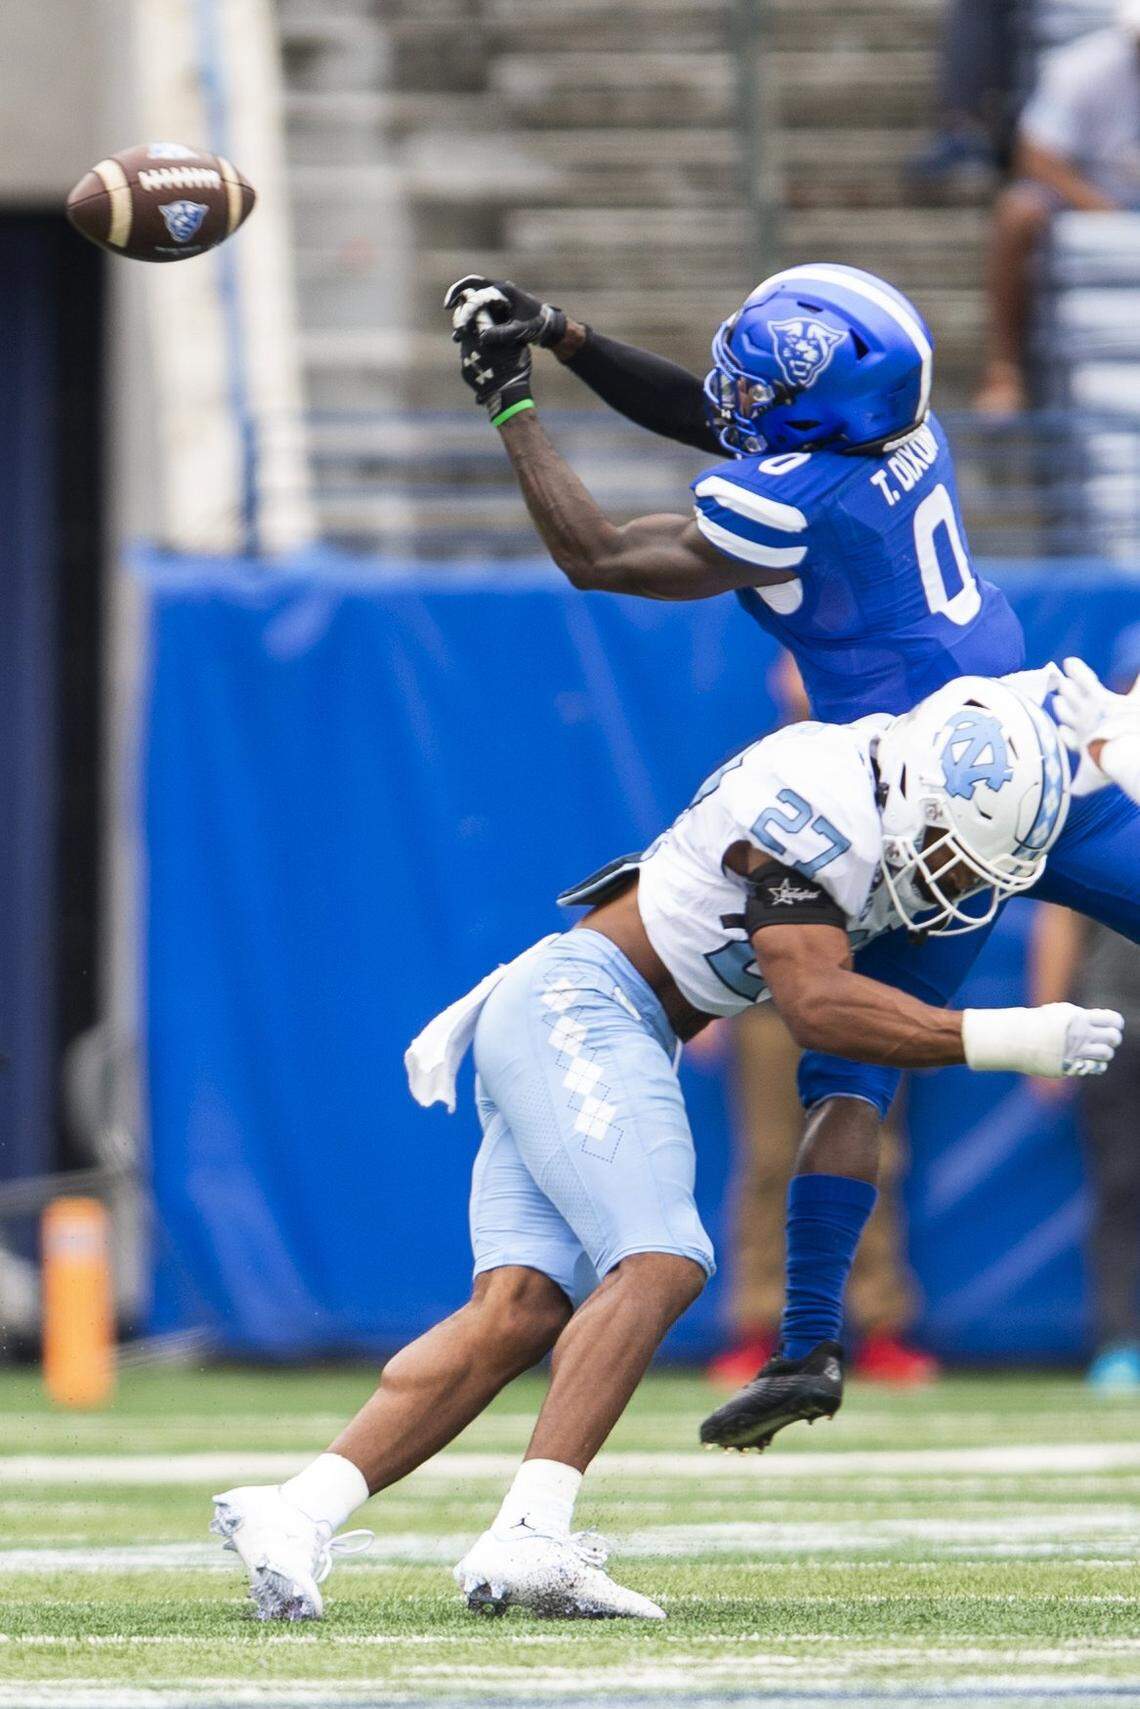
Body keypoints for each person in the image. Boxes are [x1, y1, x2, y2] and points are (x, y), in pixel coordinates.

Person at [211, 672, 1118, 1621]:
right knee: (663, 1257)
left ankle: (295, 1509)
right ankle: (531, 1532)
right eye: (951, 853)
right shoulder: (821, 798)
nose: (956, 882)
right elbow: (816, 1006)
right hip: (584, 1003)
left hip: (587, 1010)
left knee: (518, 1309)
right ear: (915, 793)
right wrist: (1013, 1034)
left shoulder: (903, 780)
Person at [445, 261, 1140, 1452]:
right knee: (847, 1067)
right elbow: (713, 418)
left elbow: (602, 554)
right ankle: (810, 1342)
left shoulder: (796, 498)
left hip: (919, 805)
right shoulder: (898, 429)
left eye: (766, 389)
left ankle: (809, 1341)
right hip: (1034, 742)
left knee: (847, 1070)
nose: (738, 396)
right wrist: (565, 331)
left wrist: (512, 401)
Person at [713, 655, 936, 1390]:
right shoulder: (756, 766)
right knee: (771, 1158)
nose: (802, 678)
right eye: (792, 664)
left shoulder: (893, 759)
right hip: (769, 995)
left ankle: (880, 1323)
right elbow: (710, 873)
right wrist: (701, 992)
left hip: (863, 986)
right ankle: (758, 1323)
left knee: (871, 1154)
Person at [974, 0, 1140, 414]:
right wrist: (1100, 207)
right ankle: (1003, 368)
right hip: (1087, 198)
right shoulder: (1083, 67)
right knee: (1018, 211)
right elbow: (1035, 155)